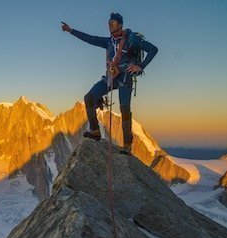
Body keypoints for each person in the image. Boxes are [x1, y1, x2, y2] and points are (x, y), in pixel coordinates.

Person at [61, 13, 158, 154]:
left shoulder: (133, 39)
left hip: (125, 78)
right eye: (109, 23)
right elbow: (90, 39)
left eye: (112, 22)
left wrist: (141, 66)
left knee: (125, 110)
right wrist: (71, 31)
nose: (109, 25)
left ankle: (127, 145)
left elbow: (153, 49)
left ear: (120, 24)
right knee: (89, 97)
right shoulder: (108, 42)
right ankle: (95, 130)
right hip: (111, 78)